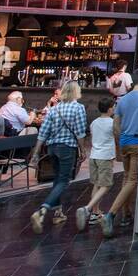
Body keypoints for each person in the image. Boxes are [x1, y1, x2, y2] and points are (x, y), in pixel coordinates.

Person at [27, 81, 87, 233]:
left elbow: (43, 132)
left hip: (52, 147)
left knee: (57, 179)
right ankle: (42, 210)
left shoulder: (54, 109)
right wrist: (83, 149)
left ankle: (58, 213)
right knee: (64, 180)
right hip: (68, 148)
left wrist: (36, 151)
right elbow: (80, 132)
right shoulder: (78, 108)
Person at [105, 69, 138, 237]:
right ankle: (111, 214)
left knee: (127, 178)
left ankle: (126, 214)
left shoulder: (122, 101)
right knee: (133, 180)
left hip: (125, 142)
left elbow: (115, 126)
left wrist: (119, 144)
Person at [76, 97, 117, 232]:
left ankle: (95, 212)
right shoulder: (112, 123)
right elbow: (117, 136)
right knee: (106, 185)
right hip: (105, 157)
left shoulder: (94, 122)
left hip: (94, 155)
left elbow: (94, 137)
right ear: (110, 108)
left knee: (96, 184)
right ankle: (87, 209)